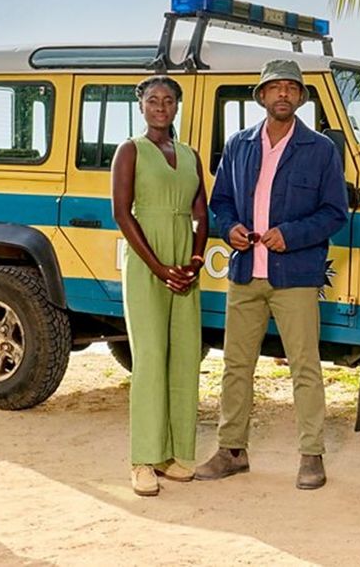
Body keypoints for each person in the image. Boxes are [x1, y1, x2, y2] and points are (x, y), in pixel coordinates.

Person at [196, 59, 348, 490]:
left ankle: (311, 456)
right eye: (274, 87)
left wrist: (292, 235)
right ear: (261, 96)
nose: (283, 94)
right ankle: (231, 451)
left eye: (291, 88)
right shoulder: (239, 145)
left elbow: (335, 212)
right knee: (236, 365)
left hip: (295, 275)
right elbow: (220, 201)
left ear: (300, 98)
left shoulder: (320, 150)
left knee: (304, 366)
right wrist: (230, 228)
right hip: (245, 273)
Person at [110, 76, 208, 497]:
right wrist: (158, 266)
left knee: (184, 357)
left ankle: (171, 454)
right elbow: (121, 213)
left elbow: (201, 213)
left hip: (184, 264)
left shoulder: (190, 156)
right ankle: (142, 460)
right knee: (149, 357)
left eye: (169, 100)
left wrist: (195, 260)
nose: (161, 107)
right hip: (147, 261)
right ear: (142, 106)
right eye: (153, 100)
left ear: (177, 106)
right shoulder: (130, 151)